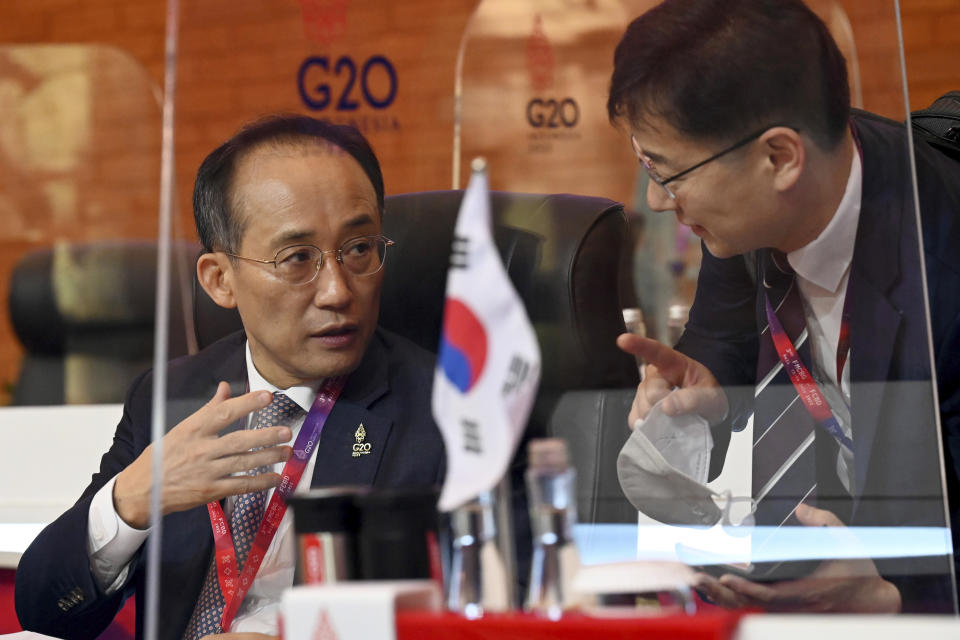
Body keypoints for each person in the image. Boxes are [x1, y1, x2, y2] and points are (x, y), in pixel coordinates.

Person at [15, 115, 445, 639]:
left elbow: (483, 610)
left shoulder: (444, 411)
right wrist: (131, 498)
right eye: (297, 258)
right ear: (220, 280)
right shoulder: (171, 395)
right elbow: (43, 610)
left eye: (358, 249)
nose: (337, 290)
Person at [608, 0, 960, 613]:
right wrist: (705, 389)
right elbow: (721, 342)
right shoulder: (749, 214)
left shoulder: (943, 262)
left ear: (779, 158)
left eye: (667, 173)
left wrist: (891, 598)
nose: (657, 202)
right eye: (646, 165)